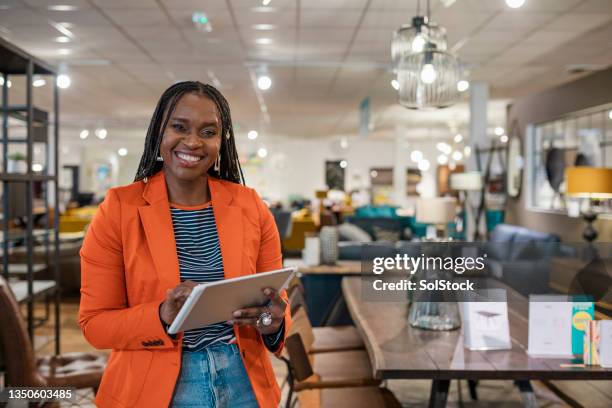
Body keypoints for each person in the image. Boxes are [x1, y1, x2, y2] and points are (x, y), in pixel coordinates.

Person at [79, 81, 291, 408]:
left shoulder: (250, 206)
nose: (192, 141)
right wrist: (162, 315)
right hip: (155, 386)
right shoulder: (119, 209)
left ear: (222, 141)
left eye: (208, 132)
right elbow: (96, 325)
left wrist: (273, 321)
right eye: (179, 127)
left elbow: (276, 302)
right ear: (158, 132)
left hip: (243, 380)